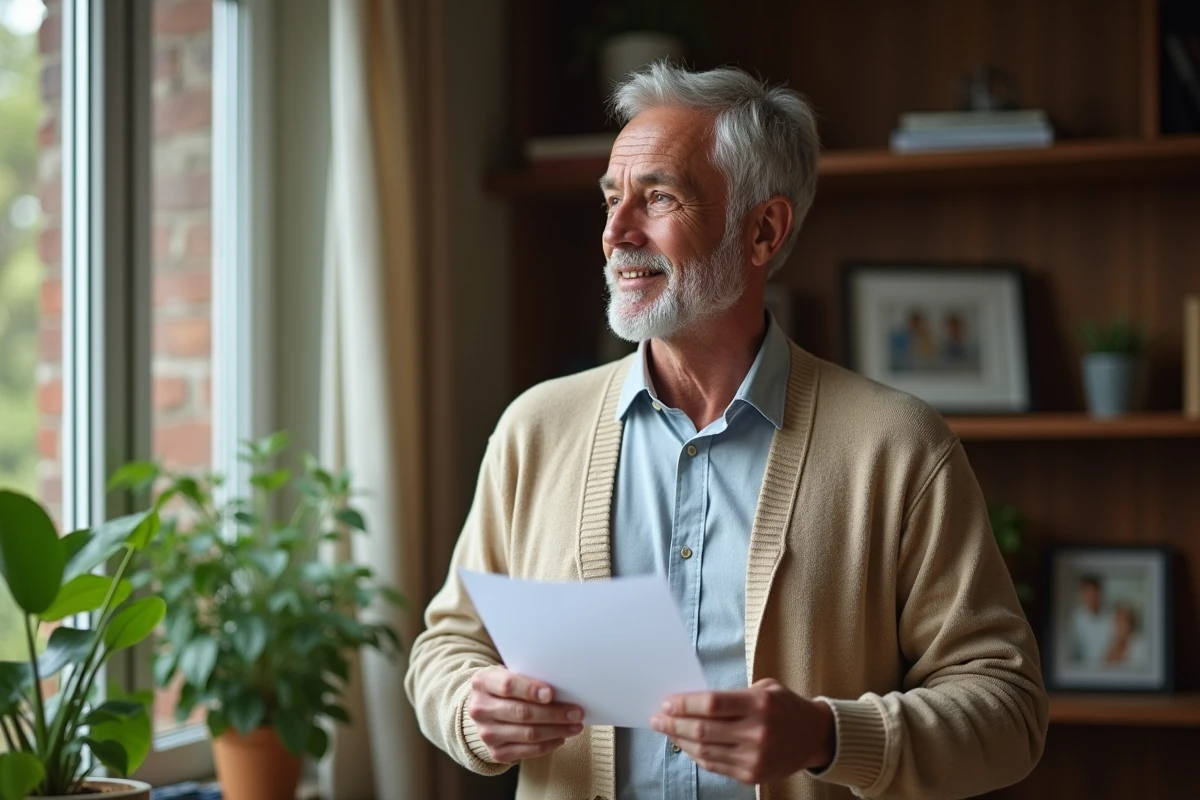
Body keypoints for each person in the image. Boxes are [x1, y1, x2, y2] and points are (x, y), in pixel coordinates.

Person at [405, 63, 1048, 800]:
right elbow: (447, 646)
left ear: (763, 230)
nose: (616, 232)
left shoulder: (899, 448)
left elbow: (1009, 711)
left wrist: (827, 736)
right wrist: (470, 707)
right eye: (612, 199)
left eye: (658, 197)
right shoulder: (534, 429)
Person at [1070, 574, 1111, 667]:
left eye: (1094, 594)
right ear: (1082, 595)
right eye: (1087, 594)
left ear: (1100, 594)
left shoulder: (1111, 616)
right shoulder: (1076, 620)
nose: (1091, 598)